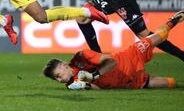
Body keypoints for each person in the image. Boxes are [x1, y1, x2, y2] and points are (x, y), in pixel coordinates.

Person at [43, 10, 184, 90]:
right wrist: (85, 86)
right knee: (171, 84)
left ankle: (173, 21)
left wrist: (93, 76)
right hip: (128, 82)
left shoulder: (81, 57)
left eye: (58, 75)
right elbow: (98, 89)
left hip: (128, 59)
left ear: (63, 66)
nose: (59, 80)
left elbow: (111, 62)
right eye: (56, 78)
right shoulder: (73, 84)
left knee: (158, 37)